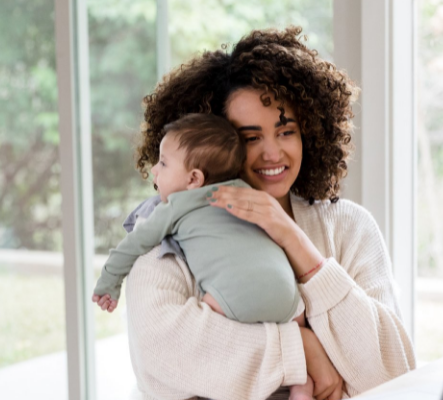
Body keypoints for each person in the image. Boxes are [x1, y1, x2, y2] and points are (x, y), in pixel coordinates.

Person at [124, 26, 416, 400]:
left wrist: (294, 240)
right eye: (250, 138)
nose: (273, 153)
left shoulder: (349, 227)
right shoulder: (167, 225)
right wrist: (302, 350)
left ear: (309, 131)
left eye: (285, 131)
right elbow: (161, 353)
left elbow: (393, 375)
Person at [92, 113, 315, 399]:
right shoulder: (249, 193)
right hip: (288, 298)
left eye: (163, 163)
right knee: (305, 346)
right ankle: (303, 385)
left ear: (194, 178)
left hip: (233, 297)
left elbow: (133, 245)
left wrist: (108, 282)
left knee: (211, 331)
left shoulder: (175, 206)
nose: (155, 171)